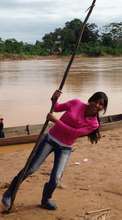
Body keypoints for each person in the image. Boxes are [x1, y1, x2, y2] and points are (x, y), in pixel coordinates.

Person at [1, 90, 108, 211]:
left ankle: (46, 199)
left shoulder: (94, 124)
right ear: (91, 99)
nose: (97, 105)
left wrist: (56, 121)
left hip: (65, 148)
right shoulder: (76, 103)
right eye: (96, 102)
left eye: (101, 104)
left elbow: (74, 133)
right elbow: (56, 108)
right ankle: (9, 194)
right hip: (50, 139)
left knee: (56, 178)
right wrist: (54, 99)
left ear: (103, 107)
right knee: (30, 169)